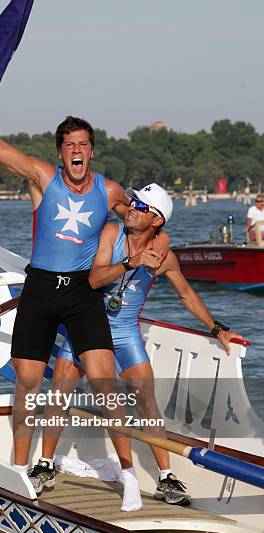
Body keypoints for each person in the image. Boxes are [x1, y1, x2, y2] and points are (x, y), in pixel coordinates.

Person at [0, 102, 169, 497]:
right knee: (28, 385)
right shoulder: (43, 178)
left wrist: (159, 244)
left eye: (83, 144)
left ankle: (130, 477)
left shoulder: (110, 190)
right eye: (69, 145)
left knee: (106, 383)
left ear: (91, 151)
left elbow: (145, 220)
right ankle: (20, 469)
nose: (76, 150)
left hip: (83, 293)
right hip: (41, 290)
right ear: (61, 153)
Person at [31, 183, 243, 511]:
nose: (132, 207)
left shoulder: (165, 257)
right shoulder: (112, 234)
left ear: (157, 220)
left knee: (146, 400)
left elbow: (186, 295)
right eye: (133, 201)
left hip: (124, 332)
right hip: (86, 326)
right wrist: (132, 261)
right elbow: (95, 279)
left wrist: (217, 328)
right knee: (61, 390)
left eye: (141, 206)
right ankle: (45, 464)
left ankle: (166, 476)